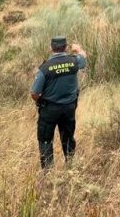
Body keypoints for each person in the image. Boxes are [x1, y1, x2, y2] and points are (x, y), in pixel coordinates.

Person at [30, 36, 87, 169]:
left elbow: (34, 93)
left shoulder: (45, 68)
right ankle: (71, 166)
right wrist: (78, 49)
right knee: (68, 138)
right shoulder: (74, 62)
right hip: (69, 108)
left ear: (51, 48)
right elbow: (83, 58)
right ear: (66, 47)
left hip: (49, 109)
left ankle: (48, 173)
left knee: (45, 139)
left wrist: (41, 101)